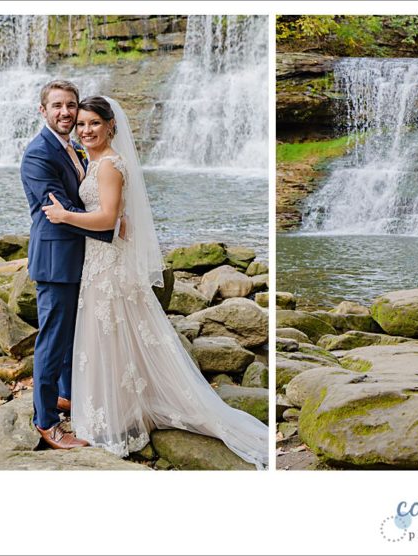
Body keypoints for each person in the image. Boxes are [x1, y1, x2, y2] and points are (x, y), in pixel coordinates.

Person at [41, 95, 268, 468]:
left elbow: (107, 219)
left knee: (110, 335)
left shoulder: (109, 165)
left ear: (111, 125)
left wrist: (66, 216)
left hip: (109, 265)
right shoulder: (93, 160)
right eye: (81, 124)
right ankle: (119, 410)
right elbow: (117, 216)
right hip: (99, 261)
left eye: (94, 123)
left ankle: (116, 420)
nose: (85, 130)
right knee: (110, 337)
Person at [20, 80, 115, 449]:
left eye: (71, 105)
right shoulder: (38, 154)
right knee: (52, 340)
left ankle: (66, 396)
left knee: (70, 335)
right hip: (56, 260)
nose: (65, 112)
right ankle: (46, 422)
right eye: (57, 105)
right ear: (42, 110)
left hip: (79, 256)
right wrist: (109, 225)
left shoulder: (73, 147)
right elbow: (58, 210)